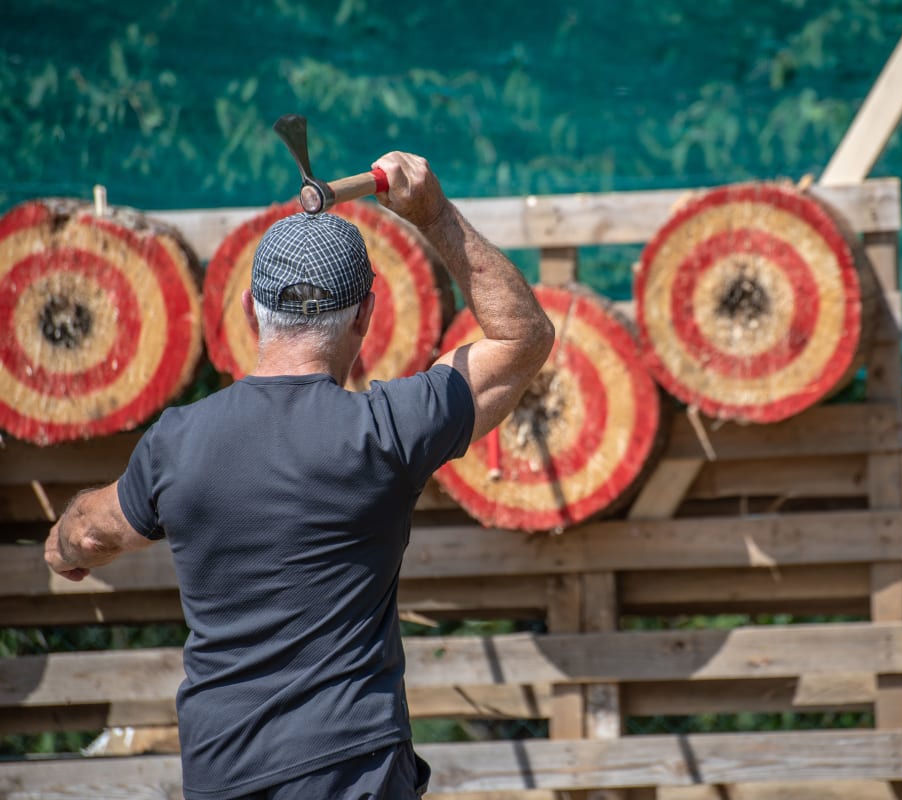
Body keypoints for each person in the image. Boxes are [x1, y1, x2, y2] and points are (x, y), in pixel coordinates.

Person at [42, 151, 555, 800]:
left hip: (224, 774)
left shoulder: (176, 445)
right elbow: (523, 338)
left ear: (254, 315)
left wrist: (64, 548)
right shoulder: (388, 431)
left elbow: (89, 534)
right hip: (353, 770)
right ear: (364, 317)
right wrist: (435, 214)